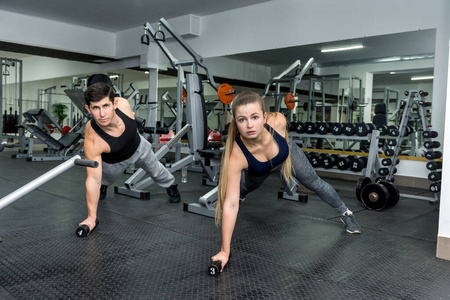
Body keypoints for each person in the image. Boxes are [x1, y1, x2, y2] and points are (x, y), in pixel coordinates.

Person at [211, 91, 361, 271]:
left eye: (255, 117)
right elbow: (230, 204)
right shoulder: (237, 155)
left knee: (314, 182)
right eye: (242, 119)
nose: (250, 124)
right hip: (259, 167)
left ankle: (346, 214)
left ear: (264, 117)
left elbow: (285, 140)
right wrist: (224, 251)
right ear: (236, 122)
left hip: (285, 154)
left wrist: (286, 166)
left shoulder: (278, 121)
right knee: (245, 188)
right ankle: (243, 194)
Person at [79, 75, 181, 234]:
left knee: (158, 171)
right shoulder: (93, 137)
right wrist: (91, 217)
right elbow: (92, 179)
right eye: (96, 108)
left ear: (115, 103)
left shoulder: (124, 105)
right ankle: (105, 186)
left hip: (139, 147)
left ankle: (171, 186)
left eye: (106, 106)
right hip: (114, 161)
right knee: (103, 179)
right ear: (88, 109)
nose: (102, 114)